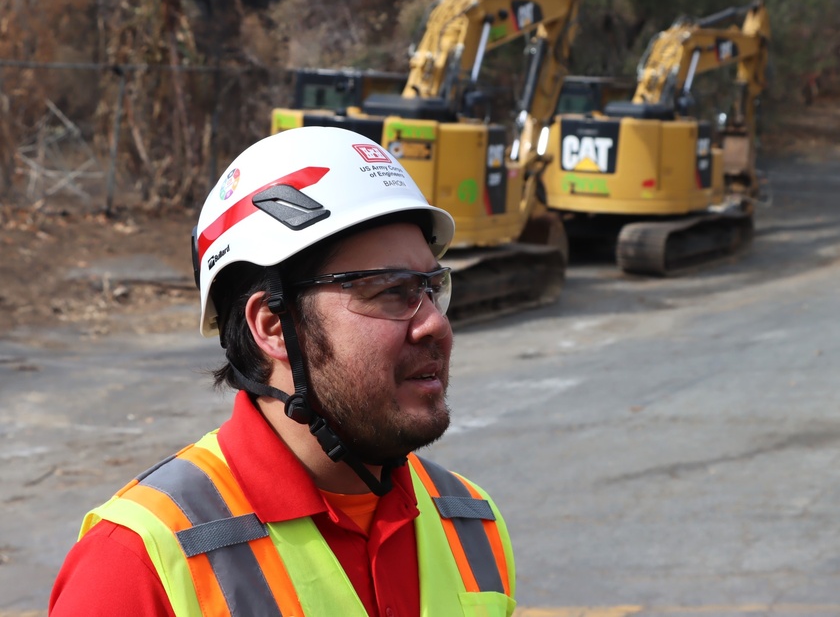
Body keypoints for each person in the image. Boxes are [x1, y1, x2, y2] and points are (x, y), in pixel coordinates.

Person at [49, 126, 517, 616]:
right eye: (390, 291)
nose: (435, 324)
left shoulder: (470, 521)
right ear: (272, 326)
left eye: (431, 287)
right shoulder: (138, 566)